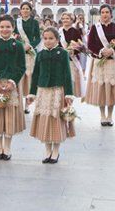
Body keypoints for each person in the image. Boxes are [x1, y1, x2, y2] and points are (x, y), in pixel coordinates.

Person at [26, 27, 77, 163]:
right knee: (45, 119)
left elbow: (67, 74)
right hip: (43, 91)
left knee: (56, 120)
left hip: (57, 91)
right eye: (46, 38)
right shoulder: (40, 54)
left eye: (51, 38)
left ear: (57, 39)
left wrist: (69, 94)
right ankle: (47, 150)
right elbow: (35, 74)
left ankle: (56, 151)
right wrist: (32, 93)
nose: (48, 41)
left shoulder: (62, 53)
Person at [0, 15, 27, 160]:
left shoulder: (18, 45)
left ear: (13, 28)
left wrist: (12, 82)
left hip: (11, 85)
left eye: (8, 27)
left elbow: (22, 66)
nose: (5, 29)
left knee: (10, 115)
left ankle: (7, 147)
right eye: (2, 27)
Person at [84, 4, 115, 126]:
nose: (104, 14)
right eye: (102, 12)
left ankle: (110, 116)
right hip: (100, 62)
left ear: (111, 14)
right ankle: (102, 115)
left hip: (113, 62)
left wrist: (113, 51)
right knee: (101, 88)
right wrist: (101, 51)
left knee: (111, 88)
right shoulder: (95, 28)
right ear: (100, 14)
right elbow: (90, 44)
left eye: (107, 12)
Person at [16, 1, 41, 104]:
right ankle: (18, 101)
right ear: (20, 11)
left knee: (29, 76)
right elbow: (13, 35)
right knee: (20, 77)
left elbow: (38, 38)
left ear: (30, 11)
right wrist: (20, 45)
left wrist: (30, 46)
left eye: (27, 9)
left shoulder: (34, 22)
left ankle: (28, 103)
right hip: (18, 52)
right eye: (23, 8)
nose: (25, 10)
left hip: (30, 52)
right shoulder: (16, 22)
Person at [57, 12, 85, 97]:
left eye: (67, 18)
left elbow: (81, 47)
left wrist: (74, 51)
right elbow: (56, 44)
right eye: (63, 18)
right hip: (60, 60)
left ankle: (70, 104)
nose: (65, 20)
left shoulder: (75, 31)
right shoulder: (59, 31)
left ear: (72, 20)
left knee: (71, 82)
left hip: (72, 60)